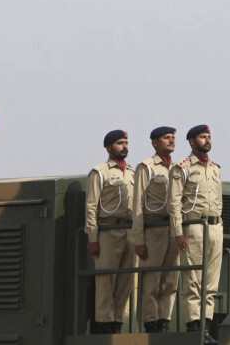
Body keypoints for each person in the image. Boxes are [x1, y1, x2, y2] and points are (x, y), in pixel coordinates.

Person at [167, 124, 222, 345]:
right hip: (194, 227)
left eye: (209, 136)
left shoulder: (215, 168)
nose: (207, 140)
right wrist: (178, 232)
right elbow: (174, 203)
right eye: (202, 137)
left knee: (211, 283)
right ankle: (194, 326)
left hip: (215, 227)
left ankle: (206, 326)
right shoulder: (183, 168)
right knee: (193, 282)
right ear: (191, 141)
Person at [84, 129, 134, 334]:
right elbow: (91, 206)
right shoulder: (100, 172)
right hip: (108, 230)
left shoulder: (133, 173)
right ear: (109, 147)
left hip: (129, 231)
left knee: (125, 281)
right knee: (106, 280)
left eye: (126, 142)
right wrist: (93, 237)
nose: (124, 146)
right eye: (120, 143)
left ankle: (116, 323)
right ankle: (104, 324)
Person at [132, 126, 179, 333]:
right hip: (154, 229)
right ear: (154, 142)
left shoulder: (178, 169)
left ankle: (164, 320)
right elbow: (137, 205)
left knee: (170, 279)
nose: (171, 141)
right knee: (152, 278)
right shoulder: (146, 167)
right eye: (166, 138)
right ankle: (150, 322)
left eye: (172, 138)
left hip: (172, 229)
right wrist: (139, 239)